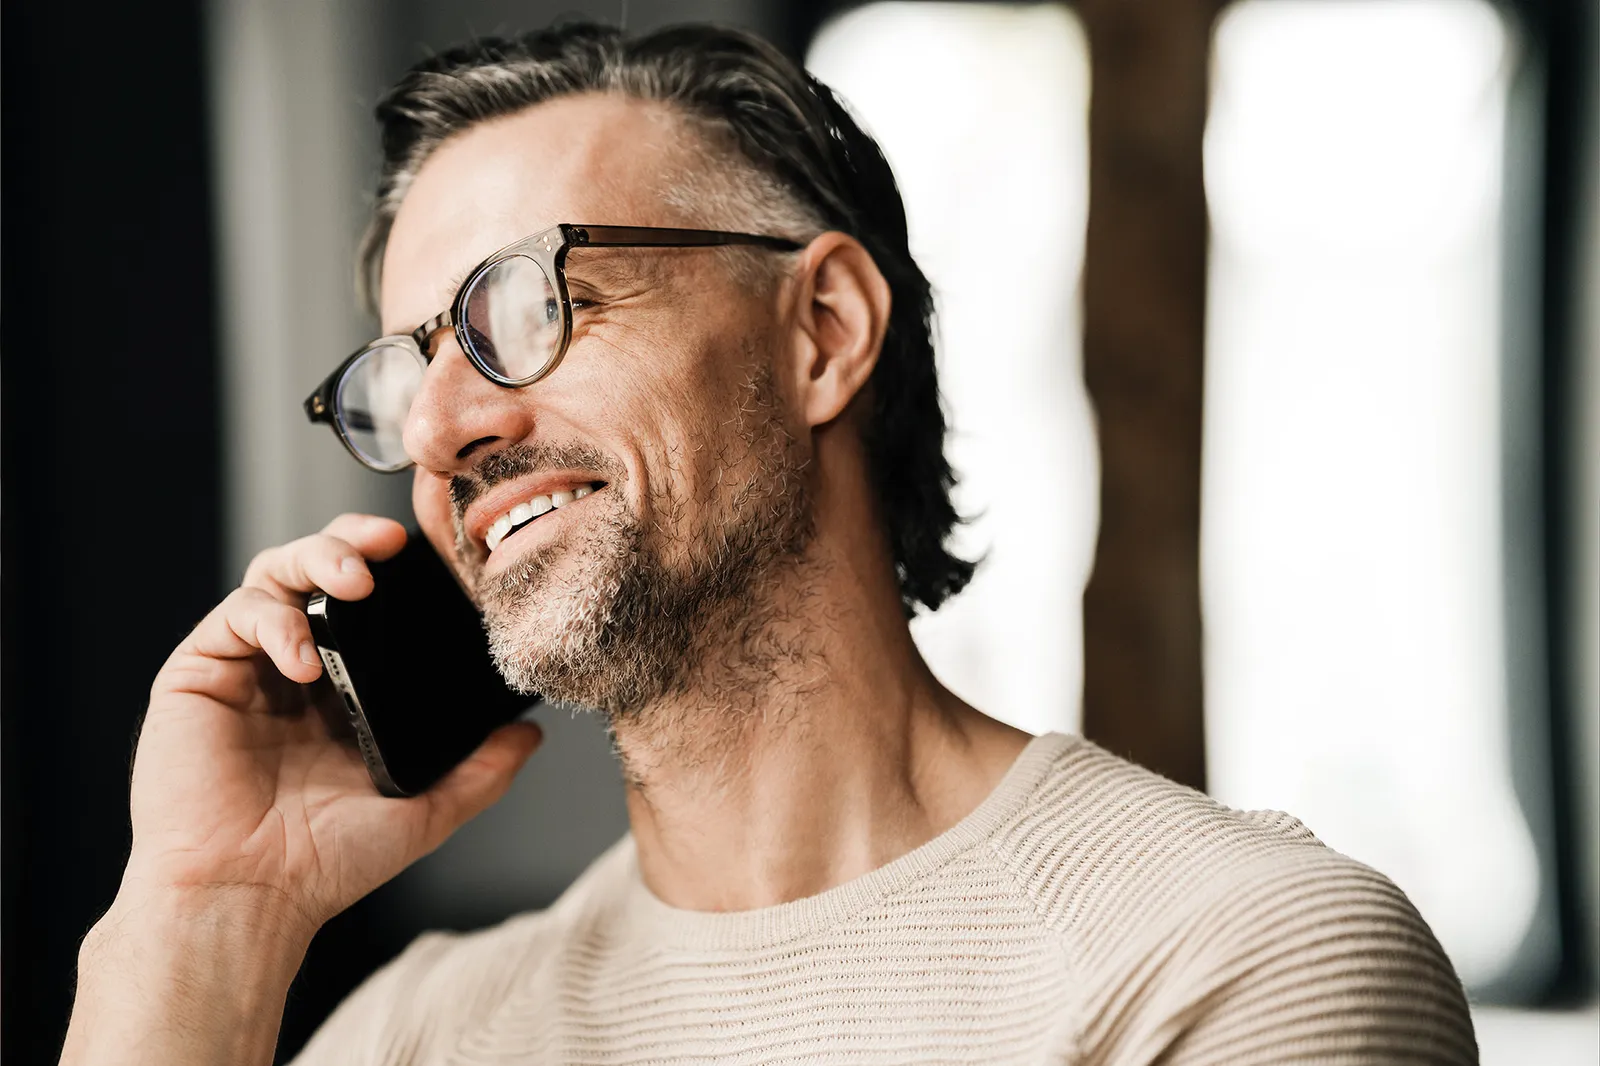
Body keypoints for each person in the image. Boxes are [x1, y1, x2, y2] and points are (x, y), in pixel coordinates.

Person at [60, 22, 1477, 1066]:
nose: (441, 427)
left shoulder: (1237, 960)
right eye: (403, 370)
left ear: (823, 332)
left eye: (516, 307)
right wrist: (199, 917)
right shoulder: (409, 1033)